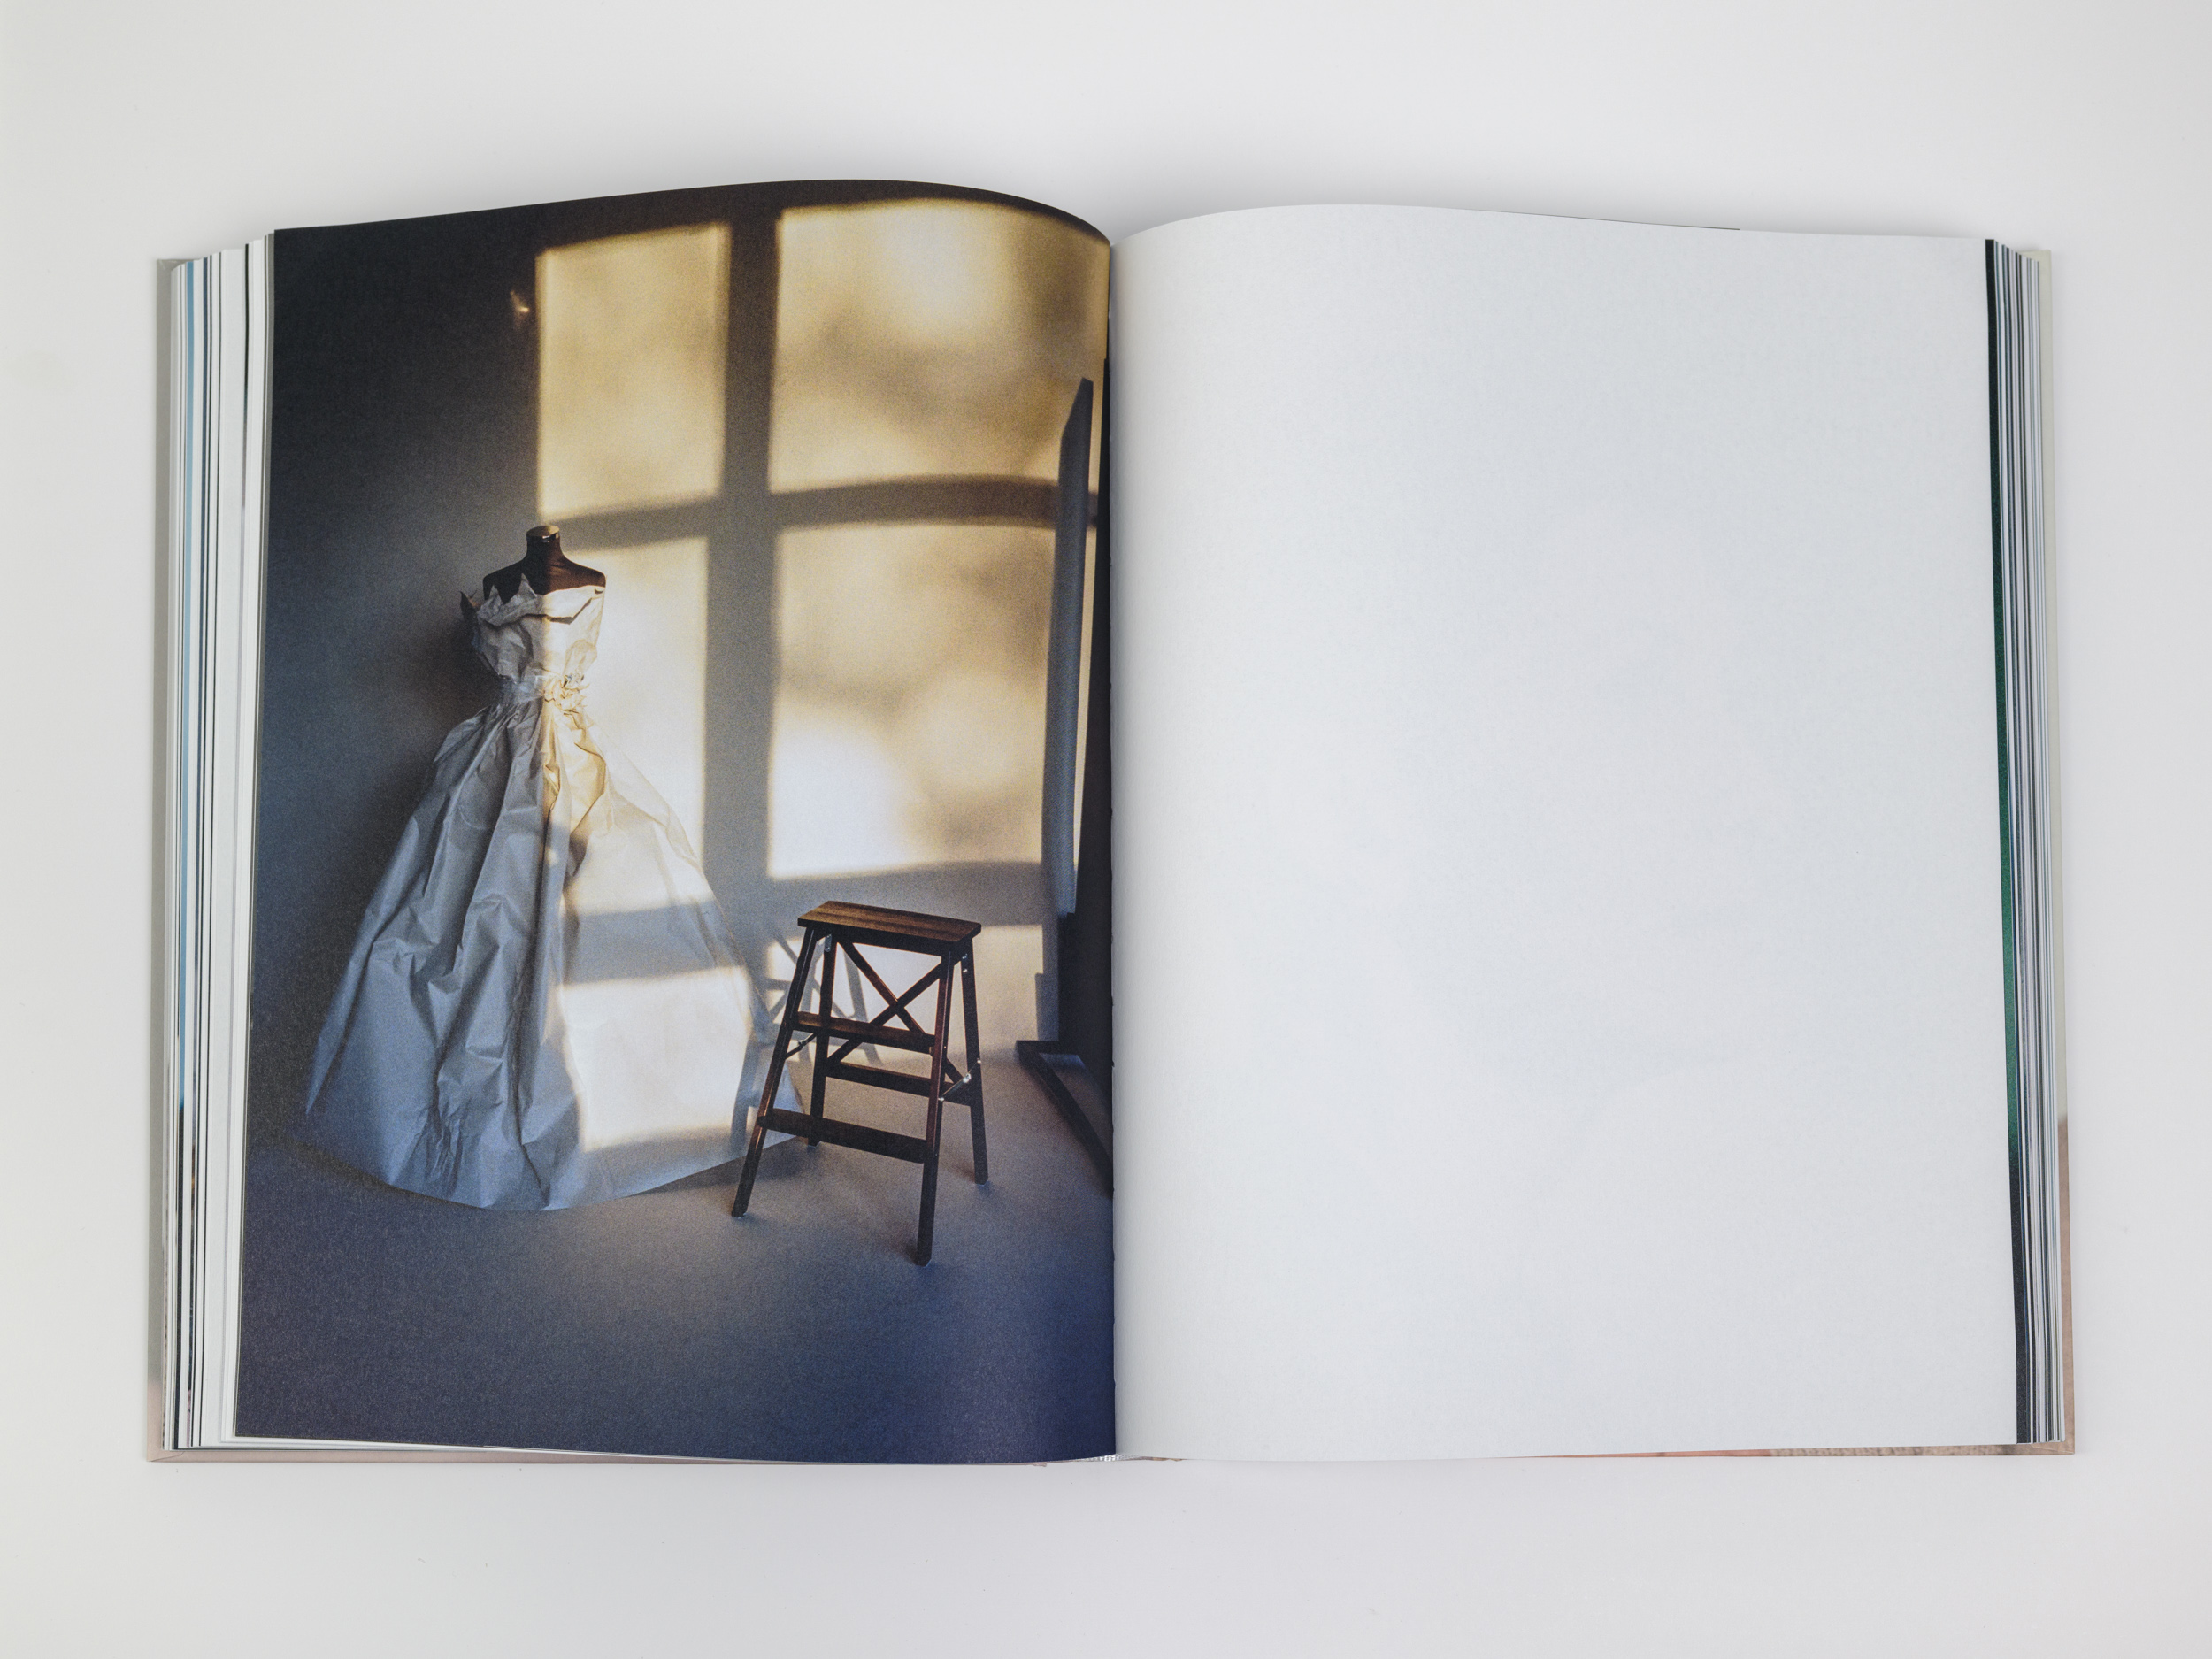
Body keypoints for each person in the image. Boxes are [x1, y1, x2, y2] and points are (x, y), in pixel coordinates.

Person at [297, 525, 794, 1208]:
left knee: (590, 907)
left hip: (570, 755)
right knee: (458, 911)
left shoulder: (588, 582)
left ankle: (641, 1110)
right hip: (492, 755)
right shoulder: (501, 585)